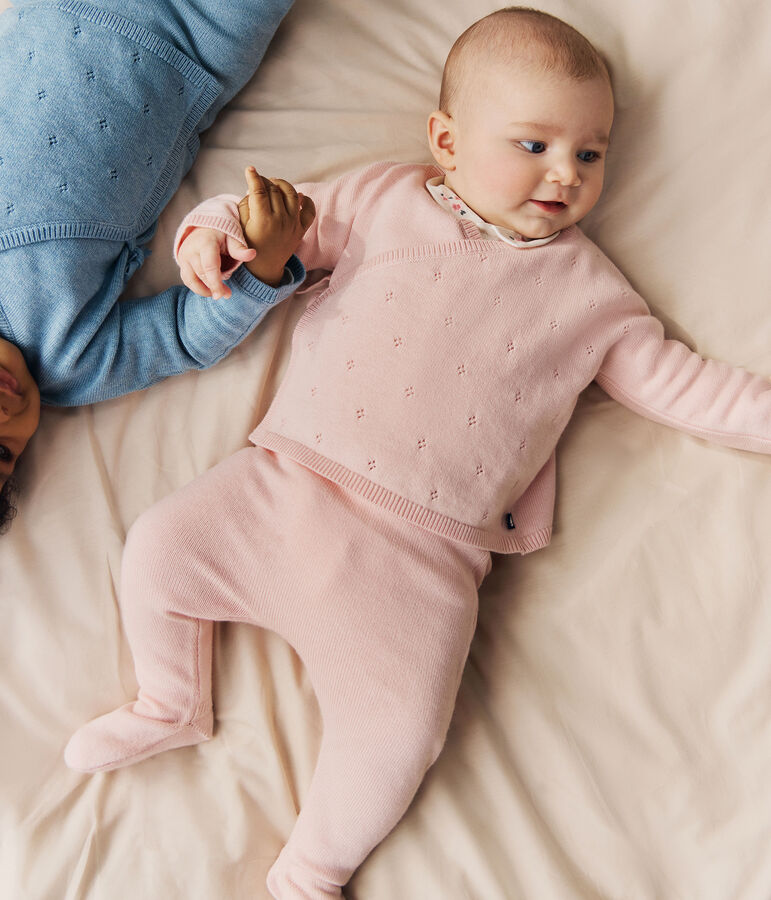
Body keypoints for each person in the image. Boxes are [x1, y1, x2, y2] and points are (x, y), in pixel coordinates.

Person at [64, 7, 771, 900]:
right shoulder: (376, 201)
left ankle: (312, 870)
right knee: (159, 549)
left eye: (589, 155)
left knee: (398, 737)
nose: (565, 172)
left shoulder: (595, 297)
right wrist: (212, 236)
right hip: (282, 488)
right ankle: (169, 703)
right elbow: (266, 218)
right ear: (444, 138)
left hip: (420, 563)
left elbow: (687, 386)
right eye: (533, 144)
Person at [0, 0, 305, 528]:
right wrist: (261, 268)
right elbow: (182, 338)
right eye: (3, 454)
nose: (2, 419)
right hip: (193, 36)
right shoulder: (69, 361)